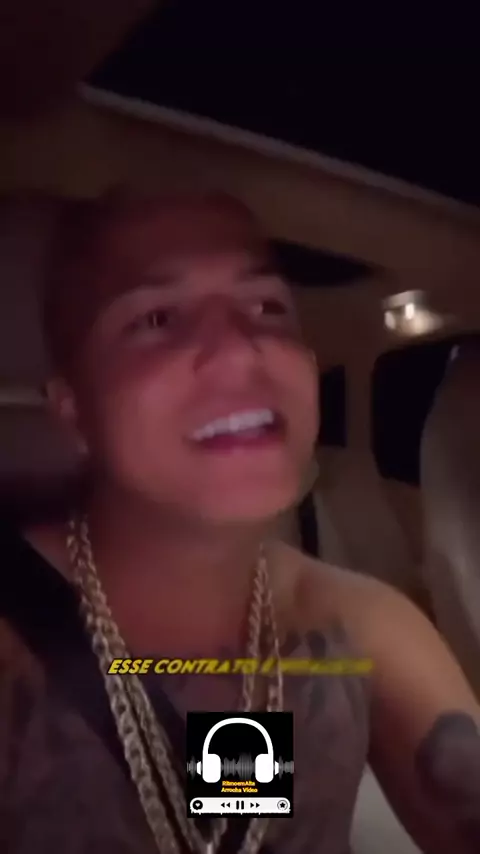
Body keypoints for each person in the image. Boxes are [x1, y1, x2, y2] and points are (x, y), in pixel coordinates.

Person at [0, 190, 479, 854]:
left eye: (267, 308)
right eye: (157, 318)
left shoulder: (357, 627)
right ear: (74, 410)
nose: (240, 352)